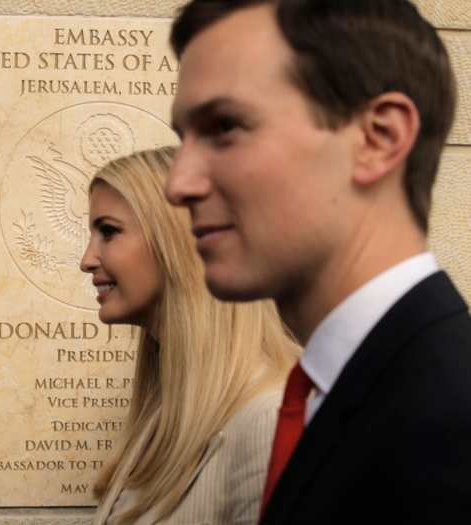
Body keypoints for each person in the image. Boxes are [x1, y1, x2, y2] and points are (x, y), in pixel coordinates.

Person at [166, 0, 471, 523]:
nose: (178, 184)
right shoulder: (350, 387)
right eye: (182, 139)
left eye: (224, 127)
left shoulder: (448, 421)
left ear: (378, 138)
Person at [80, 147, 301, 525]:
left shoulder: (271, 421)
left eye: (109, 232)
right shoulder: (163, 416)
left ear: (183, 240)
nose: (86, 259)